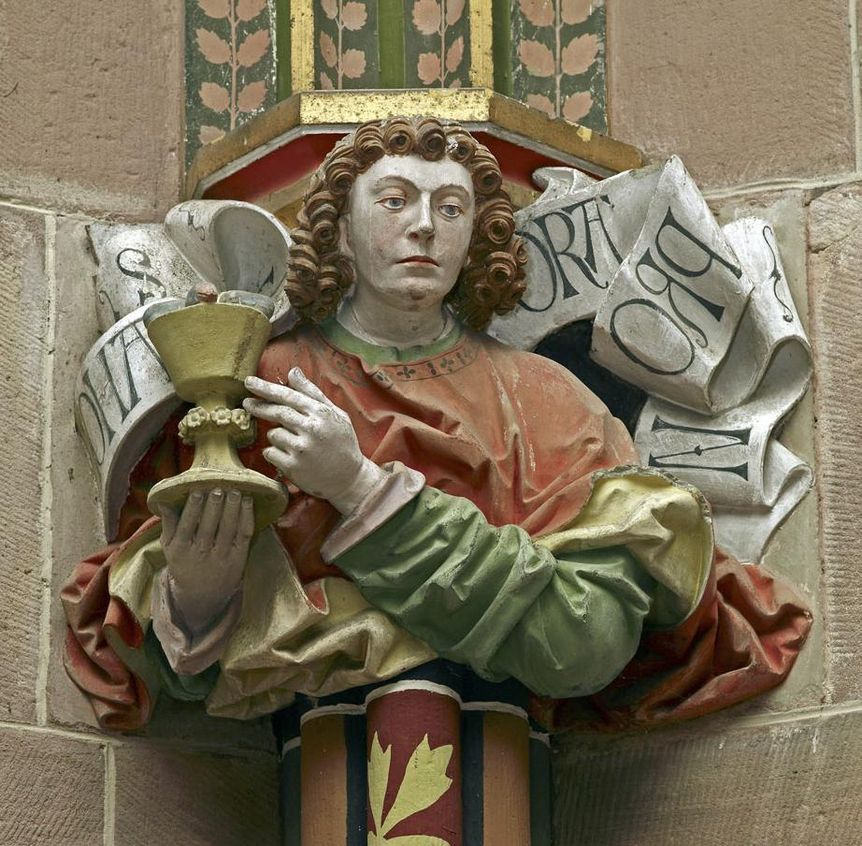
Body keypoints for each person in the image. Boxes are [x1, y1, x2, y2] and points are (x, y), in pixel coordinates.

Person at [62, 116, 811, 842]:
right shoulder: (262, 389)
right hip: (316, 767)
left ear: (478, 235)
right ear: (341, 233)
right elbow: (169, 655)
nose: (424, 226)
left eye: (450, 207)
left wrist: (360, 490)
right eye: (394, 201)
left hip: (506, 757)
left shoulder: (548, 403)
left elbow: (585, 639)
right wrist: (197, 596)